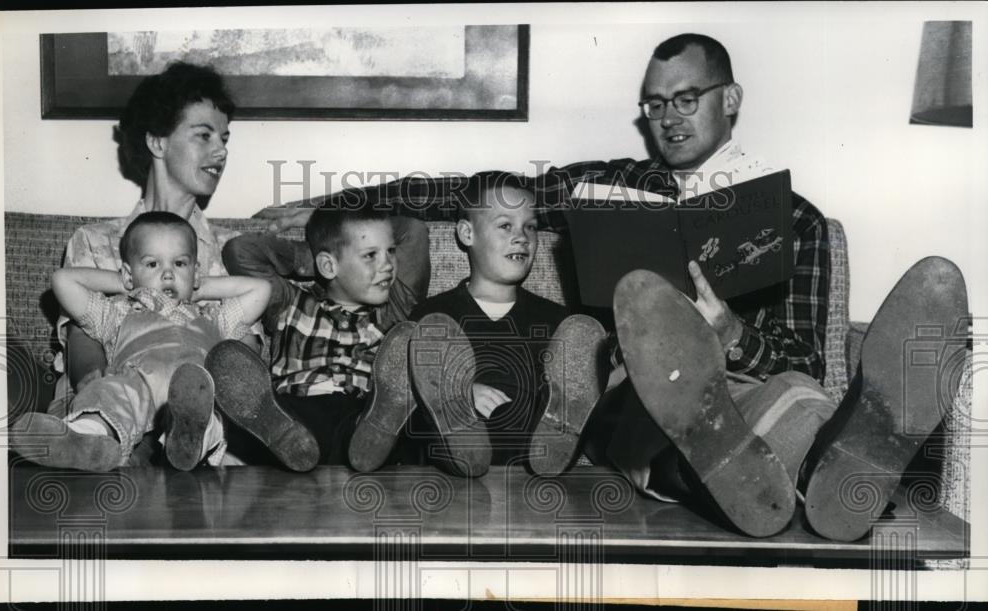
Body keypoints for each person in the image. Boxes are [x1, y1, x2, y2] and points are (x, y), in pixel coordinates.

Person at [257, 33, 968, 543]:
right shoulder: (615, 185)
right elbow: (477, 191)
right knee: (650, 415)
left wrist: (731, 335)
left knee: (792, 395)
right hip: (639, 394)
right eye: (654, 105)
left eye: (685, 98)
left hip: (754, 382)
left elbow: (810, 356)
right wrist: (349, 207)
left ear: (732, 99)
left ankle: (839, 457)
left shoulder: (796, 220)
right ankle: (820, 476)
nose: (667, 118)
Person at [43, 61, 310, 468]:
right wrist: (97, 384)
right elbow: (83, 336)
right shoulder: (95, 240)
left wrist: (319, 214)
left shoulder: (229, 248)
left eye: (224, 138)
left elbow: (244, 347)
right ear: (157, 142)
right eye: (204, 135)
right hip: (113, 397)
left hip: (207, 408)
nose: (221, 151)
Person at [9, 212, 318, 472]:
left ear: (195, 272)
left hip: (193, 391)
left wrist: (199, 287)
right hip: (136, 383)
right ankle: (84, 440)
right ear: (129, 274)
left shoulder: (213, 316)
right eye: (153, 264)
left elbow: (260, 290)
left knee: (211, 411)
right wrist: (127, 286)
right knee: (108, 392)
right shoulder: (116, 312)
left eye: (180, 264)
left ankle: (190, 440)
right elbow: (63, 280)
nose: (168, 274)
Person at [350, 172, 608, 473]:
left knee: (563, 395)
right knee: (423, 387)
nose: (522, 237)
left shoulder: (560, 322)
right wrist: (460, 391)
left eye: (531, 227)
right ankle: (448, 410)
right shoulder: (433, 316)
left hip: (528, 452)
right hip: (446, 453)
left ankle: (556, 438)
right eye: (505, 225)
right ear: (466, 233)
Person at [213, 202, 493, 473]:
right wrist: (321, 256)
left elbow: (414, 230)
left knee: (397, 425)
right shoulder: (289, 301)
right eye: (370, 255)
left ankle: (452, 444)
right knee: (287, 422)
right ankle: (266, 436)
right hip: (296, 412)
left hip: (365, 415)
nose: (388, 265)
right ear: (326, 265)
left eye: (391, 251)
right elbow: (240, 251)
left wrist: (338, 244)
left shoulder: (395, 307)